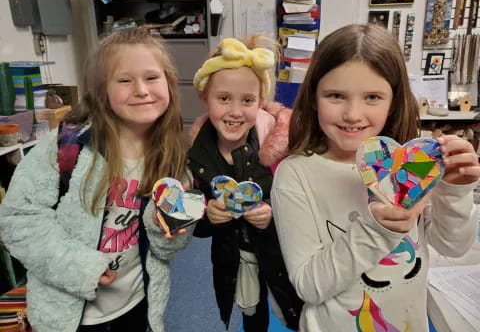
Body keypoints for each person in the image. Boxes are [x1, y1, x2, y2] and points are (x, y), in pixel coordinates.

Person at [271, 24, 480, 332]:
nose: (353, 114)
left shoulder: (412, 164)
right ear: (314, 97)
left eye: (372, 97)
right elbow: (308, 285)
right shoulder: (296, 174)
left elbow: (452, 246)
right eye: (336, 95)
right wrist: (377, 230)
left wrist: (455, 191)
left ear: (393, 101)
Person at [0, 28, 193, 332]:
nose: (142, 90)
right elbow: (17, 220)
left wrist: (167, 225)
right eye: (125, 80)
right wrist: (83, 268)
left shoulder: (172, 158)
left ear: (169, 84)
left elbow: (169, 249)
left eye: (152, 78)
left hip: (137, 307)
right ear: (102, 90)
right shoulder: (66, 146)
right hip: (68, 318)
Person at [188, 37, 303, 331]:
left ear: (260, 101)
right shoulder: (199, 153)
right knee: (251, 313)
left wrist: (272, 215)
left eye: (247, 100)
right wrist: (208, 215)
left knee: (295, 312)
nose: (236, 111)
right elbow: (195, 222)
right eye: (223, 98)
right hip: (234, 257)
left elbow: (303, 209)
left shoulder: (281, 146)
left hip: (281, 253)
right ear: (205, 98)